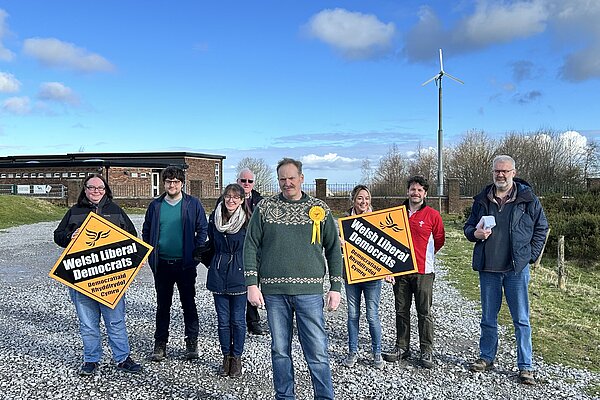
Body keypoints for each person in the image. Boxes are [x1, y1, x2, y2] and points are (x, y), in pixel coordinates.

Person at [243, 157, 343, 400]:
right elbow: (250, 245)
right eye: (282, 179)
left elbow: (332, 249)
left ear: (301, 178)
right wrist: (251, 284)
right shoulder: (265, 208)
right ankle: (285, 397)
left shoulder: (320, 209)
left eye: (291, 178)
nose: (287, 183)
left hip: (309, 294)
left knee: (317, 352)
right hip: (274, 293)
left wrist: (335, 287)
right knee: (279, 351)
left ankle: (324, 397)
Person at [464, 155, 548, 385]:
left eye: (505, 171)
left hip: (515, 270)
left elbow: (542, 227)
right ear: (492, 172)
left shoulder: (528, 199)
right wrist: (475, 234)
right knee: (488, 317)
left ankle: (525, 366)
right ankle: (486, 357)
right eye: (496, 171)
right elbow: (468, 227)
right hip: (488, 269)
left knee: (521, 319)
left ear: (513, 172)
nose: (500, 175)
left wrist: (530, 255)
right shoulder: (482, 199)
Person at [54, 174, 142, 376]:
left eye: (100, 188)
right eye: (92, 188)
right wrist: (70, 237)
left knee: (116, 321)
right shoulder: (74, 211)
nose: (96, 191)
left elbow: (132, 238)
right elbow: (58, 236)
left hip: (111, 279)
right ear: (85, 189)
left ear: (105, 190)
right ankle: (91, 359)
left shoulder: (116, 211)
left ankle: (122, 358)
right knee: (88, 323)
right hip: (82, 279)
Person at [142, 166, 208, 362]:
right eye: (169, 181)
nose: (172, 185)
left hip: (185, 264)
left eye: (176, 181)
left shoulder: (192, 204)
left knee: (188, 304)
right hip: (162, 264)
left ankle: (192, 341)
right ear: (164, 183)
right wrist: (151, 253)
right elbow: (146, 231)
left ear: (182, 183)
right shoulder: (155, 206)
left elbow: (202, 229)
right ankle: (160, 344)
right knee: (163, 305)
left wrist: (195, 254)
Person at [382, 176, 445, 369]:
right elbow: (386, 239)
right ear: (407, 191)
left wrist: (422, 257)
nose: (415, 193)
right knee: (401, 310)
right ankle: (402, 347)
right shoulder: (396, 213)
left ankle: (426, 349)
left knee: (424, 312)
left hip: (423, 272)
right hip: (400, 272)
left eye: (419, 190)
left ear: (425, 193)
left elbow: (440, 240)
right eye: (412, 189)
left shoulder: (433, 215)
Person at [216, 168, 267, 335]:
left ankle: (253, 320)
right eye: (243, 180)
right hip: (231, 253)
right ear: (238, 181)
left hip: (253, 251)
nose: (246, 184)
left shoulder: (260, 201)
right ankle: (233, 321)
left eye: (249, 181)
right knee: (234, 288)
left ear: (253, 184)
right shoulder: (223, 201)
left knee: (252, 285)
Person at [206, 183, 250, 378]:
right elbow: (210, 244)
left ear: (242, 200)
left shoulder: (248, 221)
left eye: (235, 197)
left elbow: (254, 248)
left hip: (239, 274)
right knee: (223, 321)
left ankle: (237, 357)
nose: (231, 200)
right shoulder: (214, 218)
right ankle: (226, 357)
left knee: (238, 320)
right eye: (228, 196)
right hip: (218, 273)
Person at [341, 184, 385, 369]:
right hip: (351, 276)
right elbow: (337, 249)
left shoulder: (378, 220)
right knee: (353, 314)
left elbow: (385, 249)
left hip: (373, 276)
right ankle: (352, 351)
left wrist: (388, 272)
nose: (363, 201)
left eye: (366, 198)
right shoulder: (344, 221)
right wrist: (340, 244)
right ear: (353, 200)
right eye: (360, 198)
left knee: (372, 315)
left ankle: (377, 352)